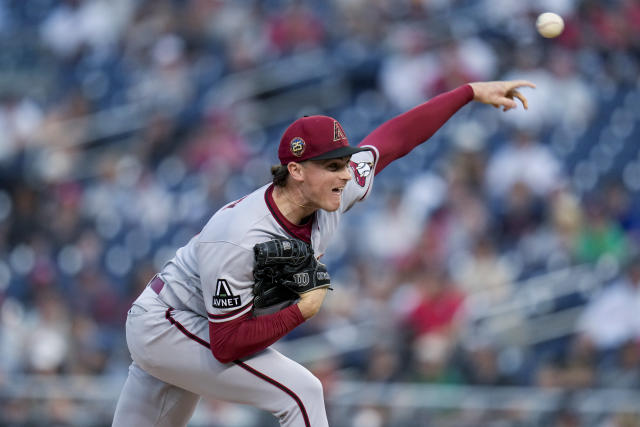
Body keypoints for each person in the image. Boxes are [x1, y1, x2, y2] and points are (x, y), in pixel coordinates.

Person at [112, 80, 534, 427]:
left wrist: (467, 93)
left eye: (344, 162)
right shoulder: (239, 237)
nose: (344, 174)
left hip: (196, 323)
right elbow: (226, 345)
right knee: (302, 393)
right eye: (331, 166)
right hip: (170, 323)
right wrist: (298, 313)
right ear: (295, 170)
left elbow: (393, 140)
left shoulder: (336, 189)